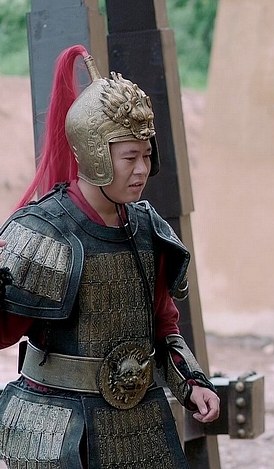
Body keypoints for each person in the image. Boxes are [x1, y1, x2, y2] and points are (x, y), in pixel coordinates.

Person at [0, 45, 219, 468]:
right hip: (60, 427)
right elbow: (4, 333)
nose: (142, 169)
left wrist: (191, 383)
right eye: (129, 157)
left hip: (140, 425)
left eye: (147, 155)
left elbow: (163, 323)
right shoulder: (42, 232)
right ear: (96, 155)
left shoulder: (148, 228)